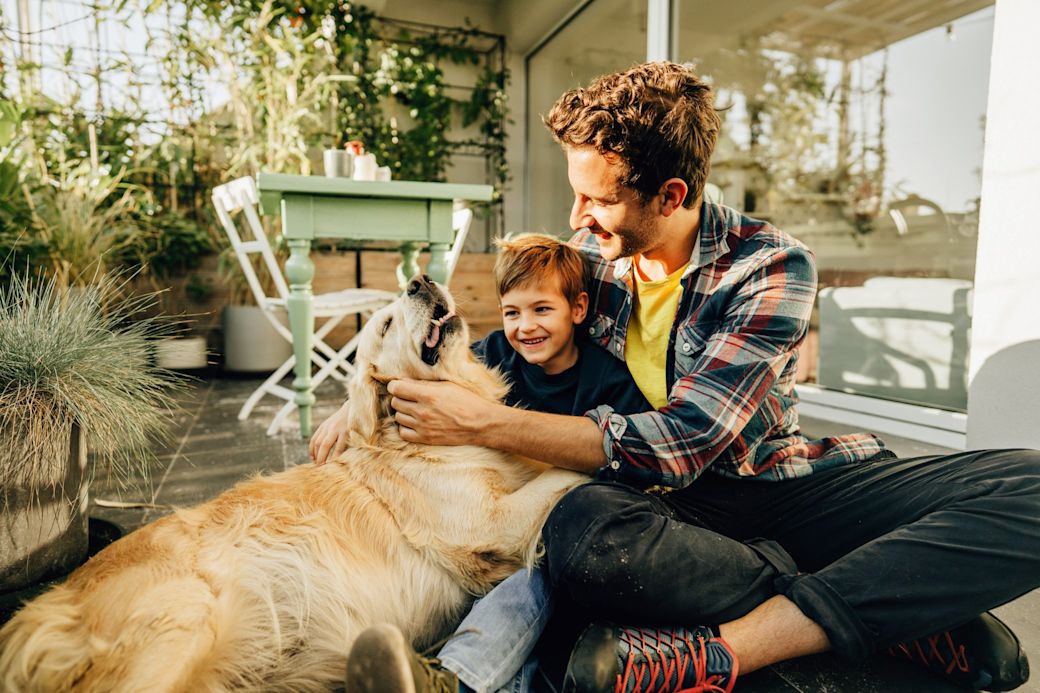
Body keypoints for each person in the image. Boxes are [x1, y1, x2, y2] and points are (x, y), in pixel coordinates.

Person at [330, 61, 1040, 693]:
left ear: (671, 195)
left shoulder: (768, 264)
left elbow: (687, 439)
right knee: (579, 529)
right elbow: (518, 345)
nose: (578, 217)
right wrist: (369, 392)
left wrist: (486, 422)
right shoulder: (593, 255)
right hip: (660, 513)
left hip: (769, 487)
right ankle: (885, 608)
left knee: (1032, 485)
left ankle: (735, 646)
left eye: (598, 201)